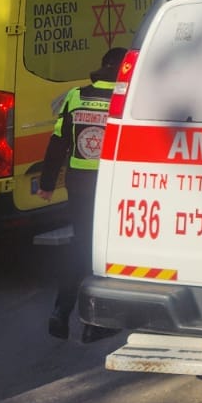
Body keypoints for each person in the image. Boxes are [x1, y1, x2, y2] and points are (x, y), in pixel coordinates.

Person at [39, 47, 127, 343]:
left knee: (80, 247)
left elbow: (58, 143)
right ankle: (95, 323)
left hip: (79, 186)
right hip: (112, 188)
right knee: (105, 255)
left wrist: (47, 183)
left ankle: (60, 311)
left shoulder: (76, 96)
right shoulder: (126, 98)